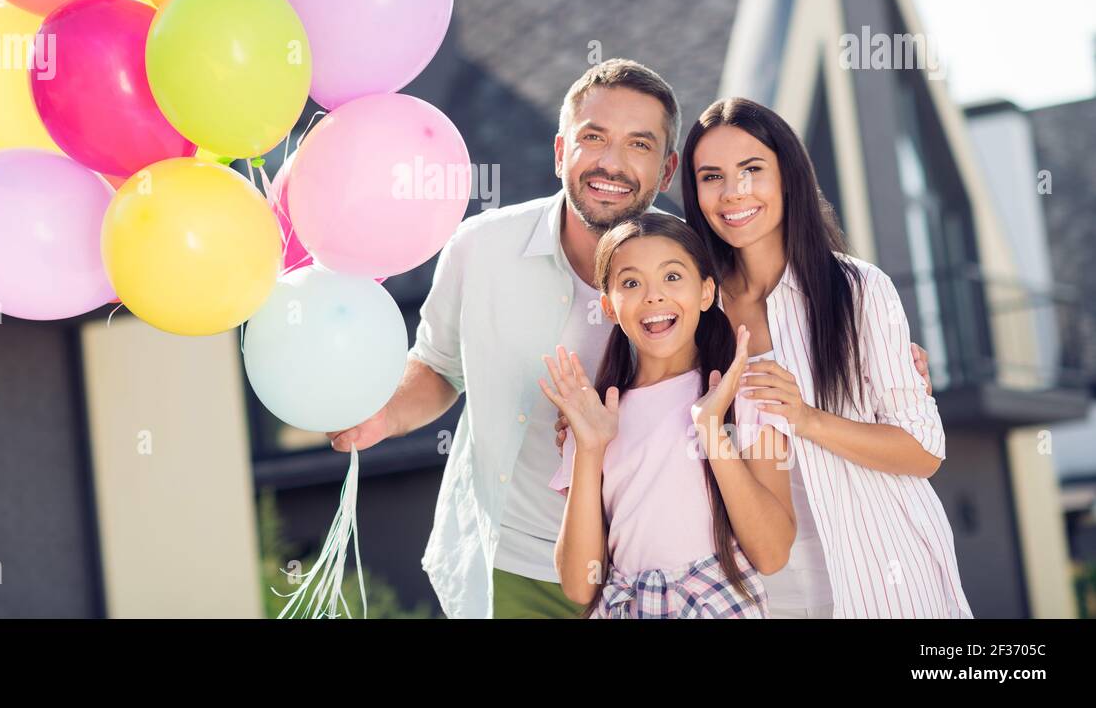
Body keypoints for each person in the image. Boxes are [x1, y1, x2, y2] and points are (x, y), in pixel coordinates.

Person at [330, 59, 931, 619]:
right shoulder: (478, 249)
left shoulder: (694, 277)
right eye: (594, 137)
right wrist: (381, 419)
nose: (612, 162)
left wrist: (877, 364)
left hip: (655, 578)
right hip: (508, 558)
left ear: (665, 171)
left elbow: (779, 357)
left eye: (639, 144)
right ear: (561, 148)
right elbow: (437, 368)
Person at [675, 97, 972, 618]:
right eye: (711, 176)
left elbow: (923, 450)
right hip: (769, 591)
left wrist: (808, 419)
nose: (733, 192)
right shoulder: (694, 310)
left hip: (889, 575)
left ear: (787, 176)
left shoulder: (857, 289)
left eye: (752, 170)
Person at [543, 213, 795, 618]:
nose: (653, 296)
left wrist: (712, 432)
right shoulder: (595, 418)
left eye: (672, 277)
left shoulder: (744, 392)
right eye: (630, 283)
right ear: (608, 306)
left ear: (706, 292)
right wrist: (589, 449)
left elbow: (772, 553)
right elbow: (578, 584)